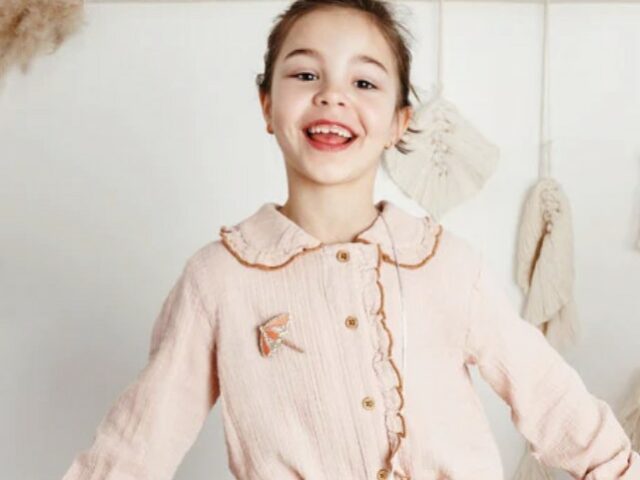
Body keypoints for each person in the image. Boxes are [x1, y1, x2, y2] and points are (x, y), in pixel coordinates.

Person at [60, 1, 640, 479]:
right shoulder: (218, 280)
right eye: (305, 75)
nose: (332, 95)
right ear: (267, 105)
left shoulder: (446, 266)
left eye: (363, 81)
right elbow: (136, 445)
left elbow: (551, 398)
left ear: (398, 122)